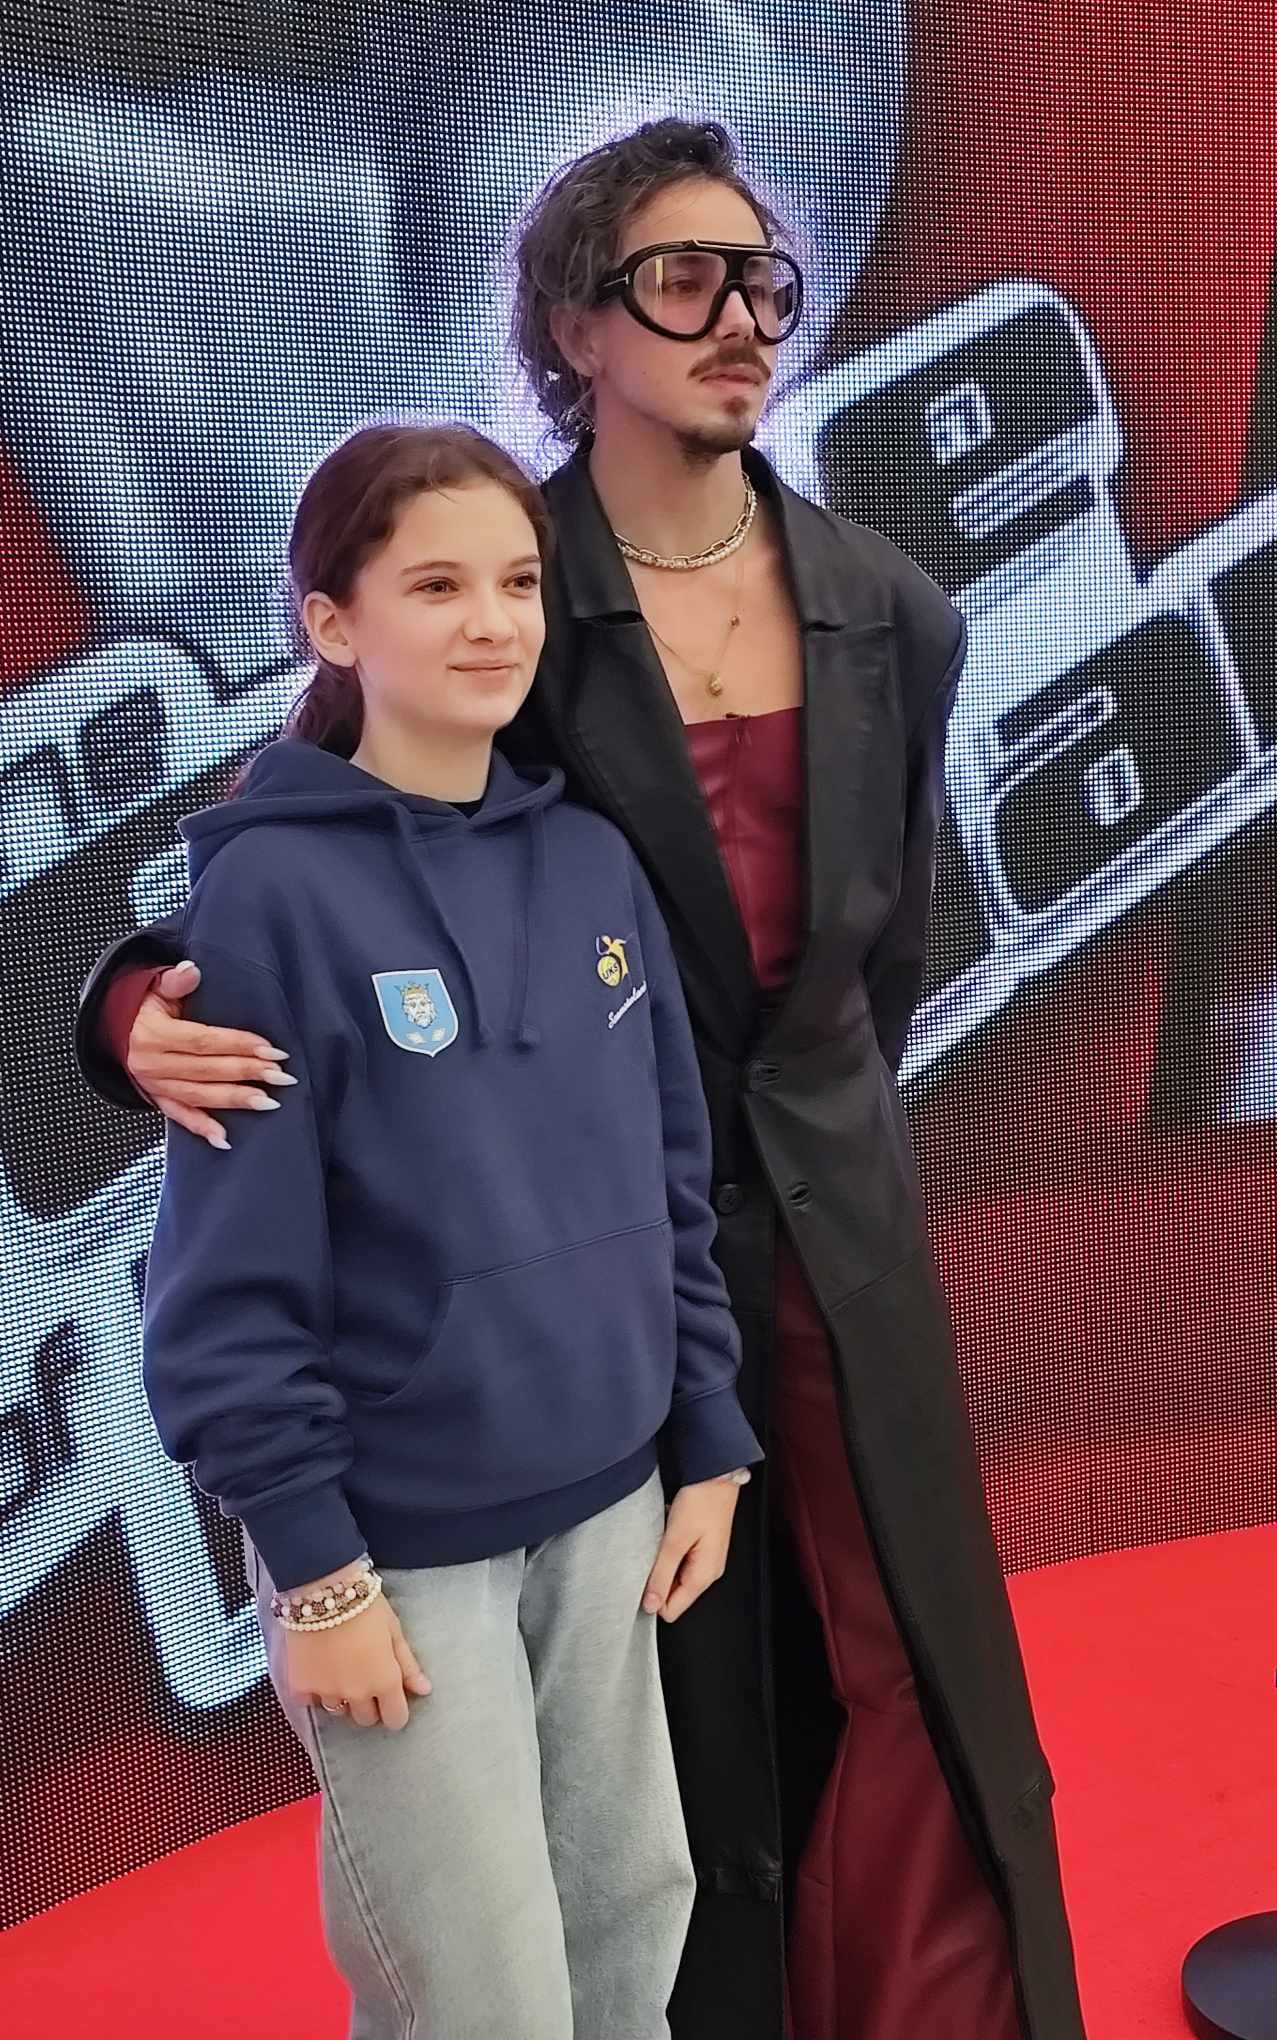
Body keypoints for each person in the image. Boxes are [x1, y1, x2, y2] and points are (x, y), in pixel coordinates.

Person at [78, 122, 1084, 2040]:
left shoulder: (888, 608)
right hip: (551, 1308)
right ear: (574, 323)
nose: (743, 317)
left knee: (888, 1666)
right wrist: (127, 1005)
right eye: (684, 278)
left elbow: (888, 950)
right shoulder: (498, 582)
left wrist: (806, 1161)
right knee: (610, 1792)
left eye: (762, 277)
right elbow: (315, 841)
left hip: (813, 1253)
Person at [138, 420, 761, 2040]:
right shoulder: (268, 900)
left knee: (632, 1933)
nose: (491, 623)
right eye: (434, 586)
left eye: (515, 583)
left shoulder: (592, 861)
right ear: (331, 622)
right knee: (480, 2000)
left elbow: (669, 1175)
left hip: (614, 1511)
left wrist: (705, 1435)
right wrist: (316, 1576)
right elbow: (222, 1286)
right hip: (399, 1559)